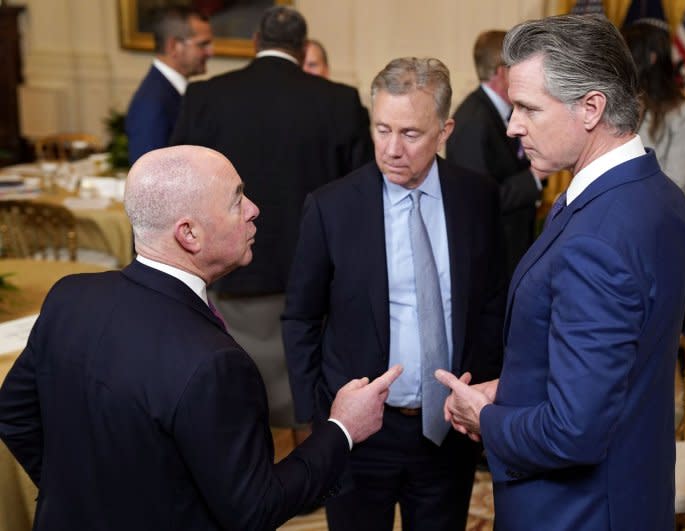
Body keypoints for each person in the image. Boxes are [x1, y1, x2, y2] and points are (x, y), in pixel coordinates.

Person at [0, 145, 402, 530]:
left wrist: (78, 502)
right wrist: (342, 428)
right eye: (236, 200)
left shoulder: (70, 295)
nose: (254, 210)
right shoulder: (214, 362)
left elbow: (15, 416)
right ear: (188, 234)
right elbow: (257, 508)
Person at [435, 14, 685, 530]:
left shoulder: (597, 237)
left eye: (528, 108)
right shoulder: (656, 193)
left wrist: (485, 418)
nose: (512, 126)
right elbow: (613, 363)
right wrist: (511, 388)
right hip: (630, 490)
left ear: (591, 107)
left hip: (575, 512)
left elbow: (575, 431)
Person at [282, 57, 506, 531]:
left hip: (446, 429)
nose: (392, 149)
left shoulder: (478, 198)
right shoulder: (331, 207)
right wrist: (321, 417)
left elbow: (491, 302)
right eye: (382, 129)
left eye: (410, 133)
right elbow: (300, 317)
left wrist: (477, 391)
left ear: (445, 131)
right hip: (361, 432)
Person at [170, 6, 372, 431]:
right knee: (308, 399)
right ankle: (310, 471)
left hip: (229, 272)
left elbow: (178, 188)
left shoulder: (206, 96)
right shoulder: (338, 102)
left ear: (255, 43)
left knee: (232, 397)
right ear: (301, 51)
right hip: (315, 279)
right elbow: (361, 200)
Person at [447, 30, 542, 272]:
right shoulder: (473, 121)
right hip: (492, 260)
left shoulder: (499, 111)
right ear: (502, 71)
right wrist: (535, 176)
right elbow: (480, 201)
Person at [622, 23, 685, 194]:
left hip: (660, 213)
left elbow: (676, 182)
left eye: (627, 52)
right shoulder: (617, 105)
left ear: (651, 58)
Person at [126, 6, 212, 165]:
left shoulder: (170, 92)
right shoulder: (152, 102)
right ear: (173, 46)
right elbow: (149, 177)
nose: (210, 52)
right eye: (203, 45)